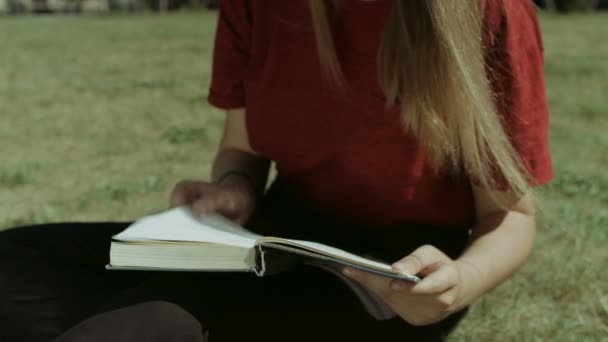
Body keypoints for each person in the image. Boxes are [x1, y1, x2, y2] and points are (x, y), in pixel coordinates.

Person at [0, 0, 552, 341]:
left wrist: (456, 289)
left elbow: (510, 218)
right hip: (275, 239)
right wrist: (233, 190)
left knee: (140, 327)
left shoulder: (487, 10)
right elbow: (241, 151)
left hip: (393, 278)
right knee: (13, 267)